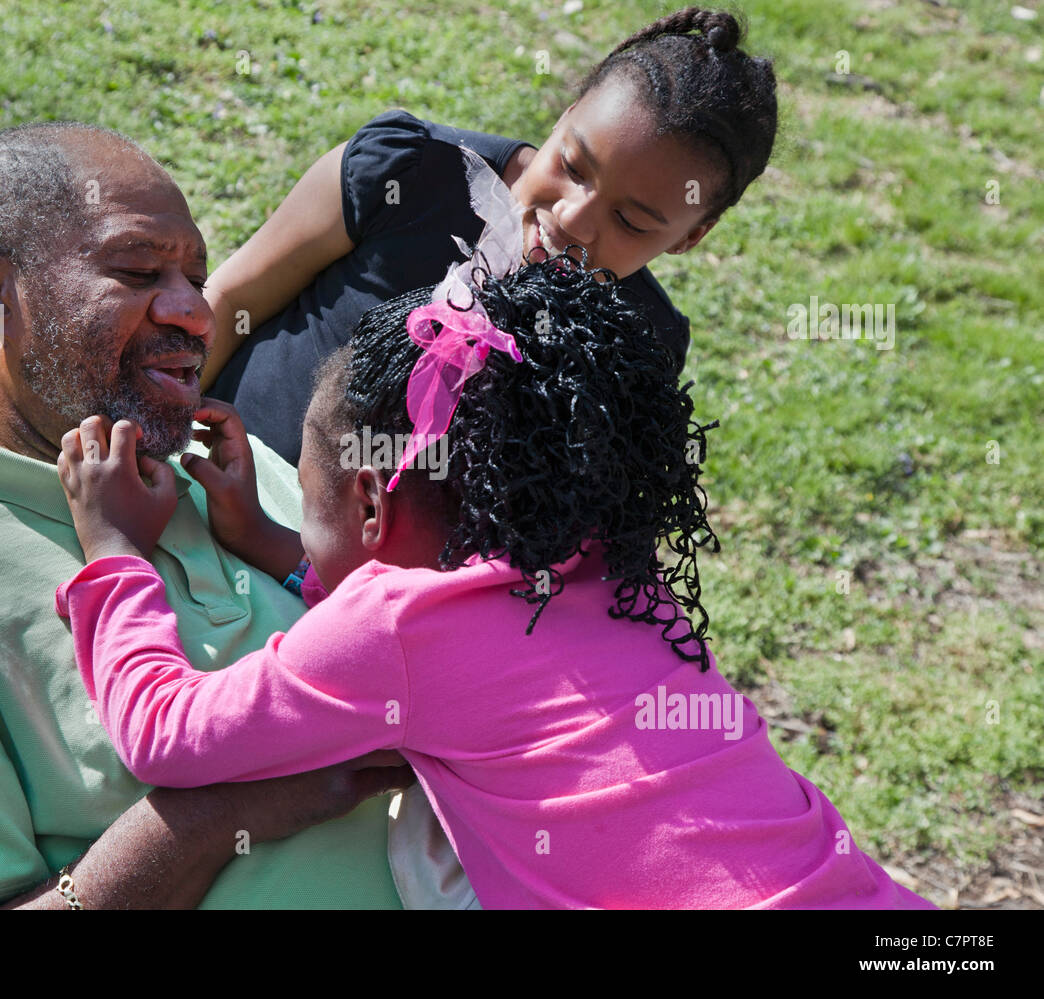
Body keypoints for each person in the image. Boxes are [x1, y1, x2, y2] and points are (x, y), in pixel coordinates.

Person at [55, 256, 935, 908]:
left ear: (372, 501)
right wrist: (270, 537)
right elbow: (458, 636)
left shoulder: (392, 629)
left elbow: (165, 733)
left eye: (314, 517)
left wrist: (115, 550)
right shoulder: (608, 571)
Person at [0, 120, 418, 909]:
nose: (196, 313)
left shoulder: (240, 474)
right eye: (138, 271)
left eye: (195, 277)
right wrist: (216, 815)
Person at [200, 6, 779, 465]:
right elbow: (229, 300)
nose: (572, 218)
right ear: (565, 116)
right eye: (573, 166)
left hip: (358, 581)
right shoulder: (405, 172)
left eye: (631, 221)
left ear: (689, 237)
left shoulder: (637, 342)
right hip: (196, 487)